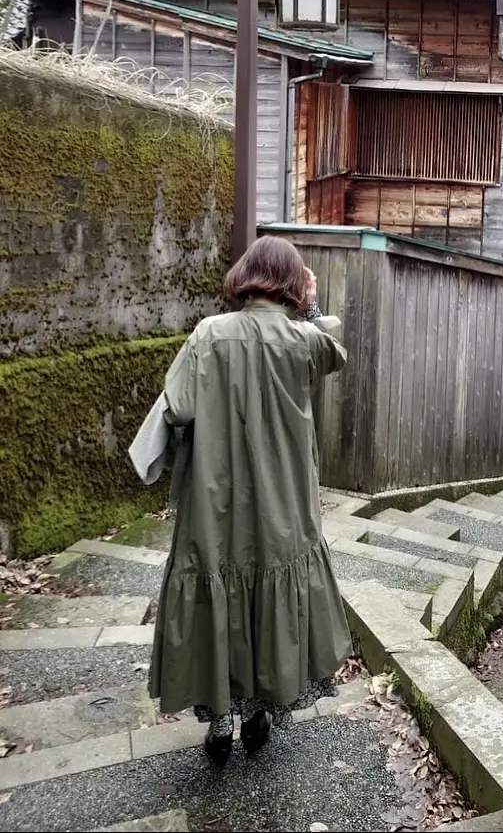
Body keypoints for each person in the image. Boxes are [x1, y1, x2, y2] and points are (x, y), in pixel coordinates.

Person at [147, 235, 352, 767]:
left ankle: (219, 716)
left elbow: (179, 408)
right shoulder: (303, 342)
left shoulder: (208, 335)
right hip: (283, 501)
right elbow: (334, 346)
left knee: (218, 583)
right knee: (273, 585)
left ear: (245, 276)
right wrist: (312, 301)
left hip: (214, 501)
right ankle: (263, 707)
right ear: (292, 284)